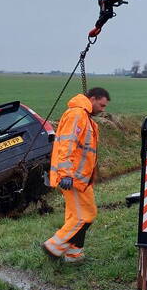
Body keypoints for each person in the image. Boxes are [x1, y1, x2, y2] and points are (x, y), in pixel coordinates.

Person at [41, 87, 110, 263]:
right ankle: (54, 246)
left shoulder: (85, 117)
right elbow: (67, 144)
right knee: (84, 216)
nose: (103, 110)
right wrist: (66, 174)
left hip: (80, 179)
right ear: (93, 99)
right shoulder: (77, 115)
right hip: (73, 178)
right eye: (101, 105)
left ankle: (74, 254)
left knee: (78, 216)